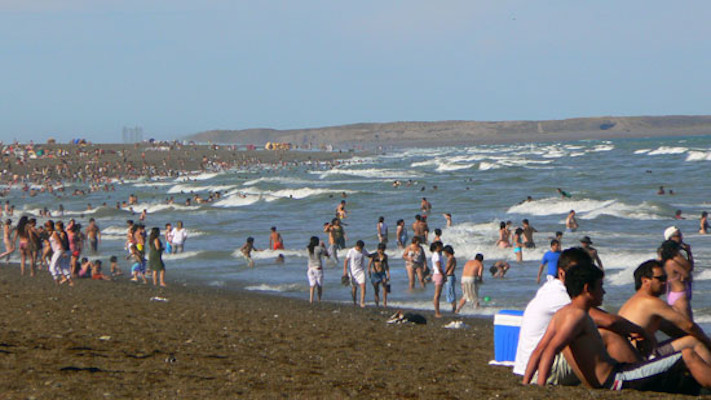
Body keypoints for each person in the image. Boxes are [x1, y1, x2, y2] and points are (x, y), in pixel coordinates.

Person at [523, 261, 711, 394]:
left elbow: (540, 349)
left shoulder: (562, 313)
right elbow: (551, 350)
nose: (604, 291)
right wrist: (540, 389)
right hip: (617, 379)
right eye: (600, 286)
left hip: (618, 374)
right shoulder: (577, 316)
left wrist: (526, 382)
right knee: (687, 354)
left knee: (683, 380)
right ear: (588, 289)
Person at [514, 248, 651, 380]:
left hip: (533, 366)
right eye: (576, 271)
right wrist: (640, 331)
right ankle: (640, 375)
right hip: (545, 369)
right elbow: (607, 321)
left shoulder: (550, 289)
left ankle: (633, 368)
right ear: (561, 273)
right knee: (607, 334)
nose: (582, 275)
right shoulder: (561, 294)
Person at [618, 260, 711, 360]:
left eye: (666, 278)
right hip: (641, 357)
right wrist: (707, 341)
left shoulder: (635, 301)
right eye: (660, 279)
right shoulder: (651, 302)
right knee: (692, 341)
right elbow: (689, 326)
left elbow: (672, 329)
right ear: (645, 281)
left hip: (630, 355)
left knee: (686, 339)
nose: (665, 282)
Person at [660, 240, 693, 320]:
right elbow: (687, 272)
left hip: (673, 293)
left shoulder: (665, 263)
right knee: (688, 322)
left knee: (680, 323)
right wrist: (689, 253)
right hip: (680, 294)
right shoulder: (672, 263)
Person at [343, 240, 368, 308]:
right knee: (354, 288)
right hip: (353, 272)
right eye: (360, 248)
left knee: (363, 286)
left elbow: (368, 255)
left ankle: (362, 302)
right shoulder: (351, 251)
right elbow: (346, 261)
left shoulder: (363, 251)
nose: (361, 250)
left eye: (362, 248)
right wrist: (345, 271)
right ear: (357, 246)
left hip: (361, 271)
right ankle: (354, 301)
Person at [367, 242, 390, 307]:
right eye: (380, 250)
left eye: (382, 250)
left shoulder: (385, 256)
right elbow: (369, 264)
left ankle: (385, 303)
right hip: (375, 273)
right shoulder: (374, 255)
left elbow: (386, 265)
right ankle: (377, 303)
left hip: (382, 273)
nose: (381, 251)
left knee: (385, 287)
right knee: (376, 289)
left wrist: (388, 273)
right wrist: (369, 270)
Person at [306, 236, 327, 304]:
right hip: (317, 268)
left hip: (310, 268)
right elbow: (327, 254)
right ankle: (319, 299)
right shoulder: (319, 248)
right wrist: (324, 246)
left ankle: (311, 300)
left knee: (312, 285)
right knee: (319, 285)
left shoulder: (308, 248)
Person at [430, 241, 445, 318]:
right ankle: (437, 312)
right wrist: (444, 275)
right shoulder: (437, 255)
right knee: (437, 295)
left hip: (437, 274)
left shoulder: (436, 255)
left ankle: (437, 311)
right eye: (440, 246)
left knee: (437, 294)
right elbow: (439, 267)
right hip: (438, 274)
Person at [442, 245, 457, 313]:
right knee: (450, 292)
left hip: (450, 276)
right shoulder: (452, 258)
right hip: (450, 276)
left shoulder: (450, 258)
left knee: (450, 292)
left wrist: (443, 274)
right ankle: (453, 307)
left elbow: (447, 267)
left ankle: (454, 307)